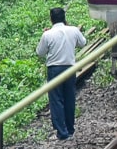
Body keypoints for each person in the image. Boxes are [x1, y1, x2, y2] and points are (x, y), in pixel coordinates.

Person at [36, 8, 86, 141]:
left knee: (56, 100)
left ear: (51, 19)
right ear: (64, 17)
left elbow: (40, 52)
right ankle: (70, 129)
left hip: (54, 69)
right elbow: (83, 43)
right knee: (69, 98)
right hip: (70, 68)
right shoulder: (73, 30)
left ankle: (62, 132)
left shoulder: (47, 34)